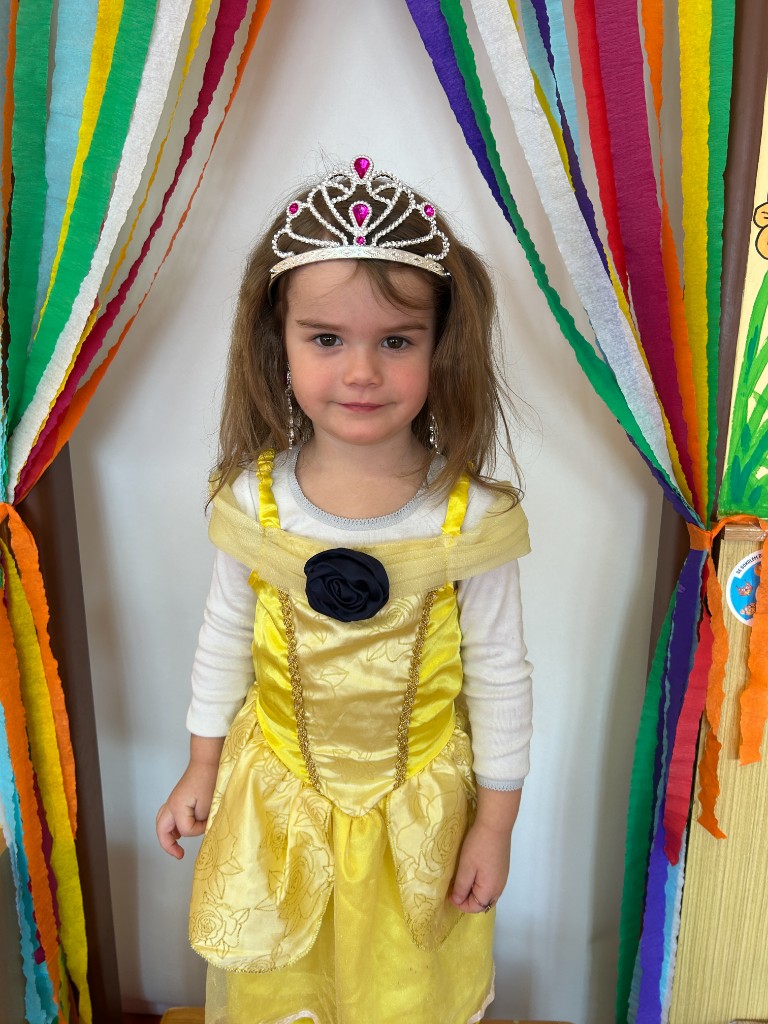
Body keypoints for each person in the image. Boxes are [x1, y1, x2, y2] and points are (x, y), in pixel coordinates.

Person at [156, 155, 533, 1024]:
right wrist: (202, 764)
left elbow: (501, 676)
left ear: (440, 347)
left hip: (416, 818)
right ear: (278, 342)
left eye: (395, 341)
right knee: (285, 984)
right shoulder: (253, 501)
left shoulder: (470, 519)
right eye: (326, 339)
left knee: (398, 987)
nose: (361, 371)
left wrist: (495, 825)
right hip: (276, 799)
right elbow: (223, 636)